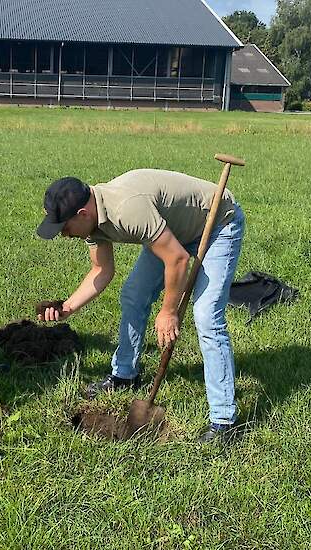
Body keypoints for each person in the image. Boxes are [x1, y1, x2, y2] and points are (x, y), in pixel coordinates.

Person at [36, 169, 245, 443]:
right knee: (133, 295)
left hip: (216, 222)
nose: (64, 235)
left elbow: (178, 260)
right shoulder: (92, 222)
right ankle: (125, 375)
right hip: (171, 231)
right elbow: (101, 270)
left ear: (82, 214)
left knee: (206, 316)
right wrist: (67, 307)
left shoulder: (126, 209)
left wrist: (169, 311)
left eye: (64, 228)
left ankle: (223, 420)